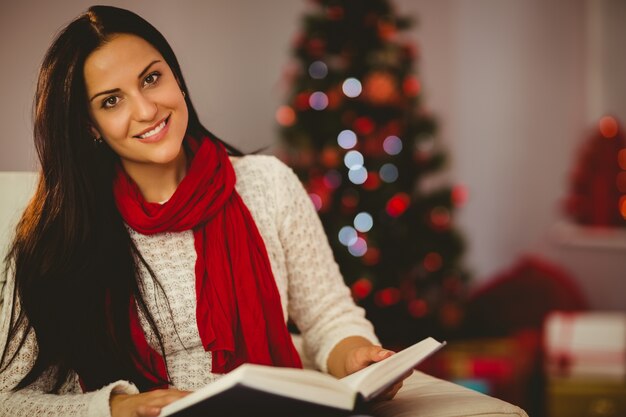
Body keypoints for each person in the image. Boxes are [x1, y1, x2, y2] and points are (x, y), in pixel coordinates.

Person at [0, 5, 406, 417]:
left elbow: (328, 316)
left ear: (176, 77)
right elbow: (8, 400)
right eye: (111, 101)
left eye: (151, 78)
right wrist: (118, 408)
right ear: (90, 125)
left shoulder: (269, 184)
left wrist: (356, 354)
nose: (145, 110)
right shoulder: (58, 236)